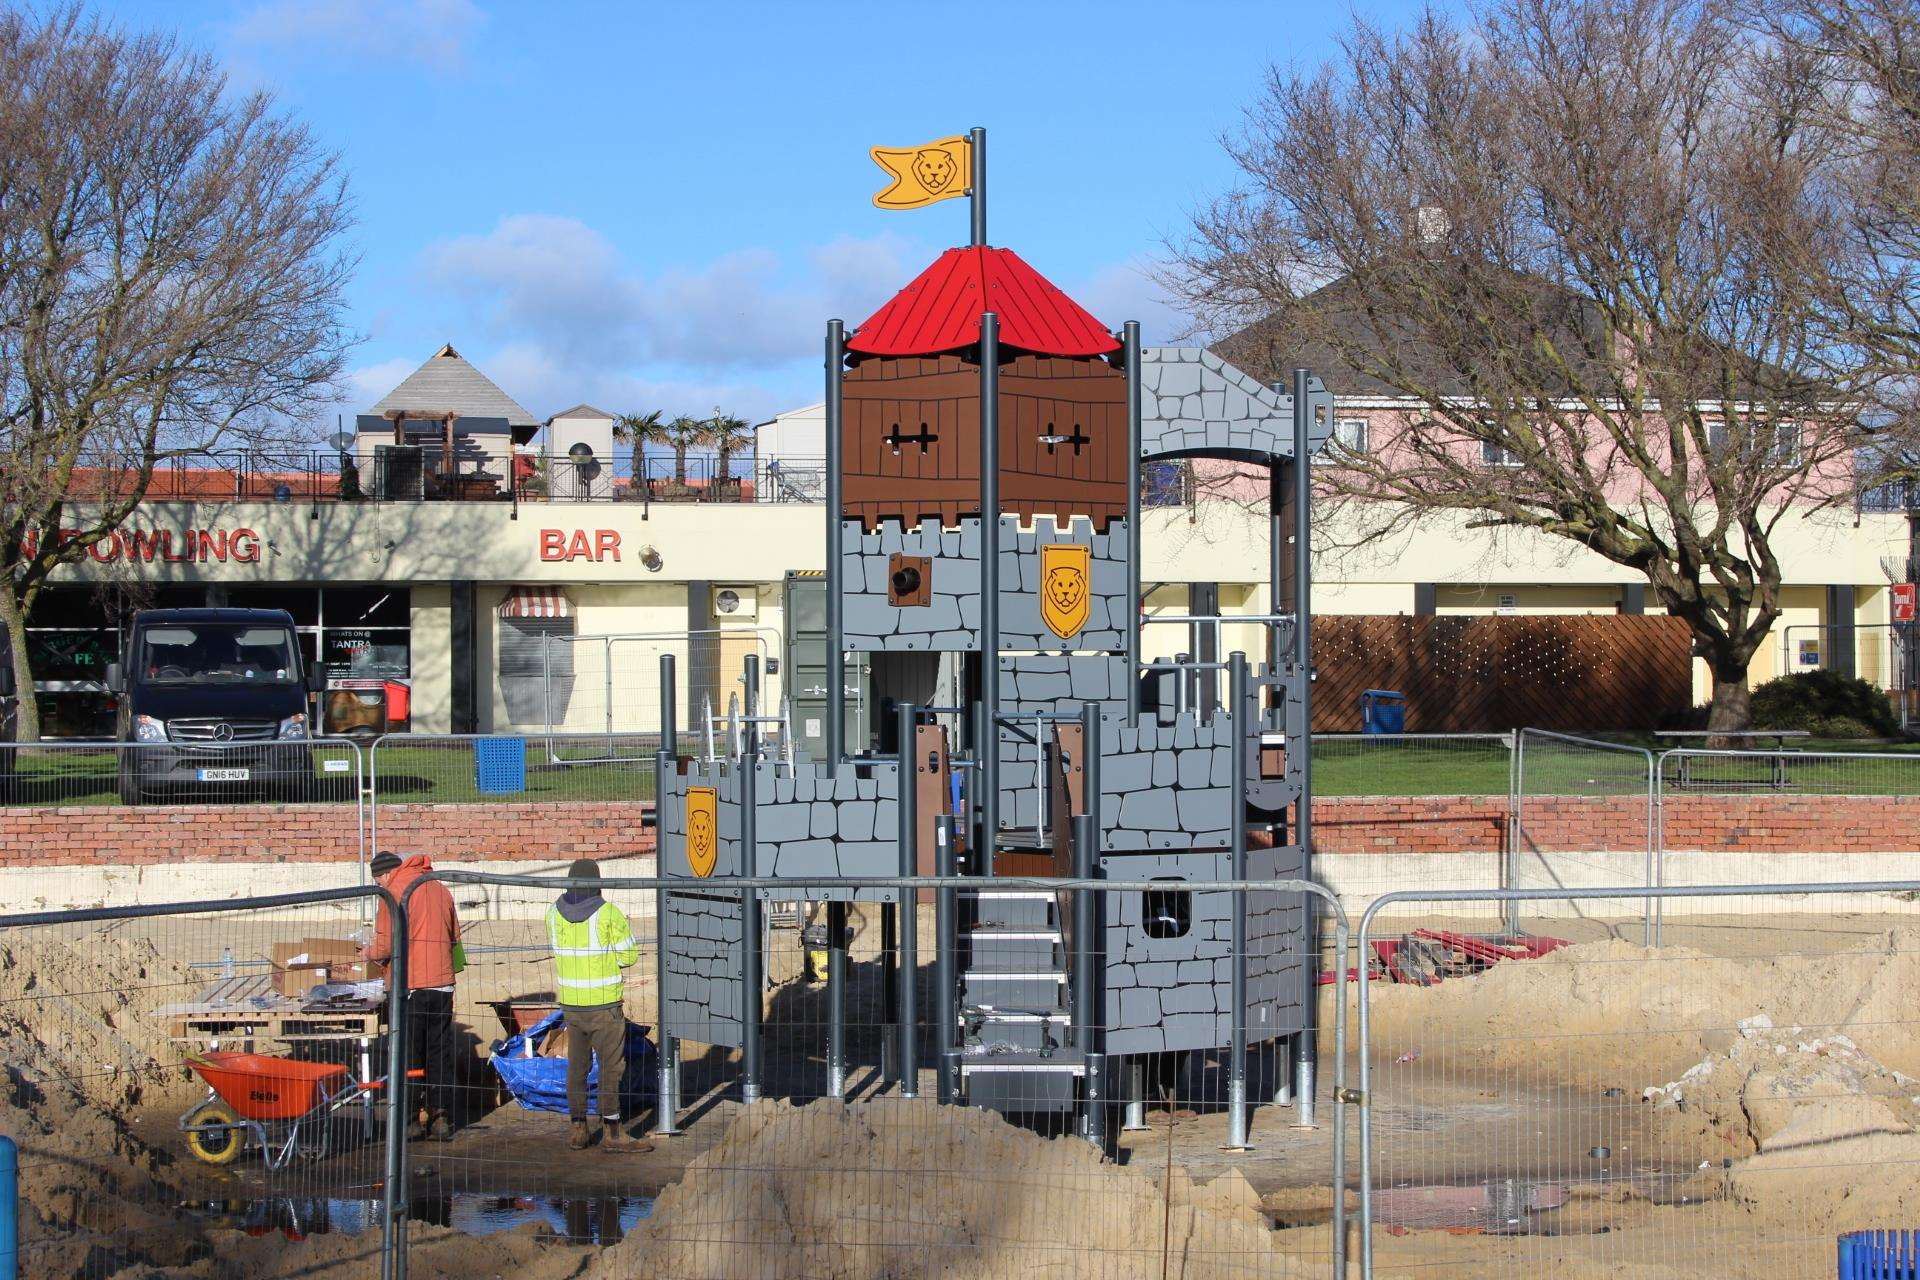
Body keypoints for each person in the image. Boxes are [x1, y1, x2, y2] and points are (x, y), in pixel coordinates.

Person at [546, 858, 651, 1152]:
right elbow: (628, 956)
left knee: (576, 1067)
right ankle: (613, 1132)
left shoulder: (552, 914)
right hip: (604, 1006)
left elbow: (556, 949)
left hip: (571, 1005)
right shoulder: (608, 913)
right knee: (611, 1069)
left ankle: (578, 1128)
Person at [363, 850, 462, 1141]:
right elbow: (454, 935)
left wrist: (366, 953)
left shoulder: (392, 893)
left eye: (378, 881)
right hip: (442, 983)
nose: (379, 886)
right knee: (438, 1052)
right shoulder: (439, 888)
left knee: (409, 1055)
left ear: (384, 875)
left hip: (409, 986)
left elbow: (384, 946)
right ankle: (440, 1116)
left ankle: (409, 1120)